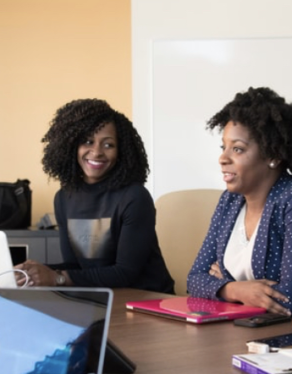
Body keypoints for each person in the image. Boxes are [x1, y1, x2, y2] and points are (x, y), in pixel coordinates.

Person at [186, 87, 292, 317]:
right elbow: (194, 280)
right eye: (224, 147)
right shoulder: (230, 201)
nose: (223, 158)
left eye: (237, 149)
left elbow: (291, 301)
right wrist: (235, 289)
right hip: (240, 332)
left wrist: (223, 282)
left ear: (273, 155)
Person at [15, 98, 174, 293]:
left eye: (108, 145)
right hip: (101, 297)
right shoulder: (64, 198)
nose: (97, 152)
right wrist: (32, 273)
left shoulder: (134, 197)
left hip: (144, 299)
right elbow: (75, 267)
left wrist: (56, 277)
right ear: (70, 146)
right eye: (88, 142)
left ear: (121, 151)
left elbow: (125, 273)